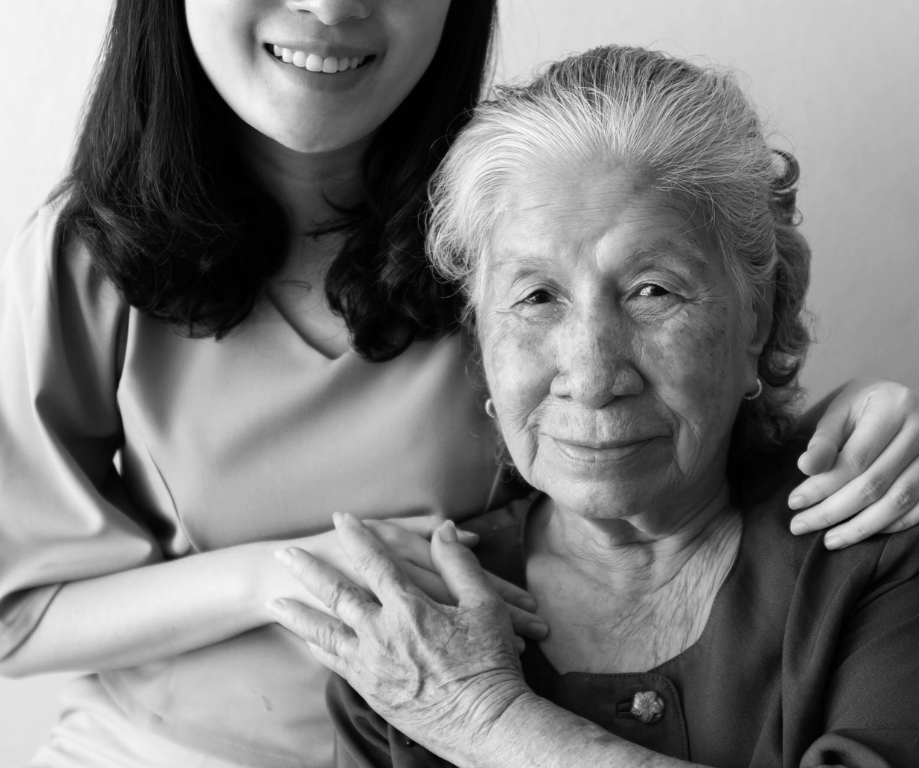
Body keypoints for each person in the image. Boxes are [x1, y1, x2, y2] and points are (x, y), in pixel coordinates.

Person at [0, 0, 918, 765]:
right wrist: (291, 578)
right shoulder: (86, 253)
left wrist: (851, 425)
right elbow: (14, 616)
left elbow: (676, 421)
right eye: (536, 299)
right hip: (193, 746)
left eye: (651, 290)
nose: (328, 6)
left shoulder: (522, 204)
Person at [268, 47, 919, 768]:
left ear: (756, 317)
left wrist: (485, 722)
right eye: (536, 298)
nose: (593, 373)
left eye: (653, 291)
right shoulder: (411, 629)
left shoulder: (877, 554)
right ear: (480, 337)